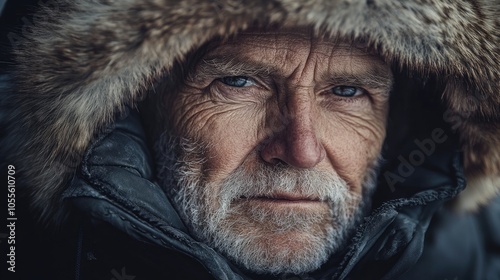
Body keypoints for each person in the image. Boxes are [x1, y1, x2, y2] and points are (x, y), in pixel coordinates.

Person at [0, 1, 498, 279]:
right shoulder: (19, 252)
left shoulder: (466, 260)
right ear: (133, 100)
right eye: (238, 83)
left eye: (347, 91)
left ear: (402, 120)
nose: (300, 150)